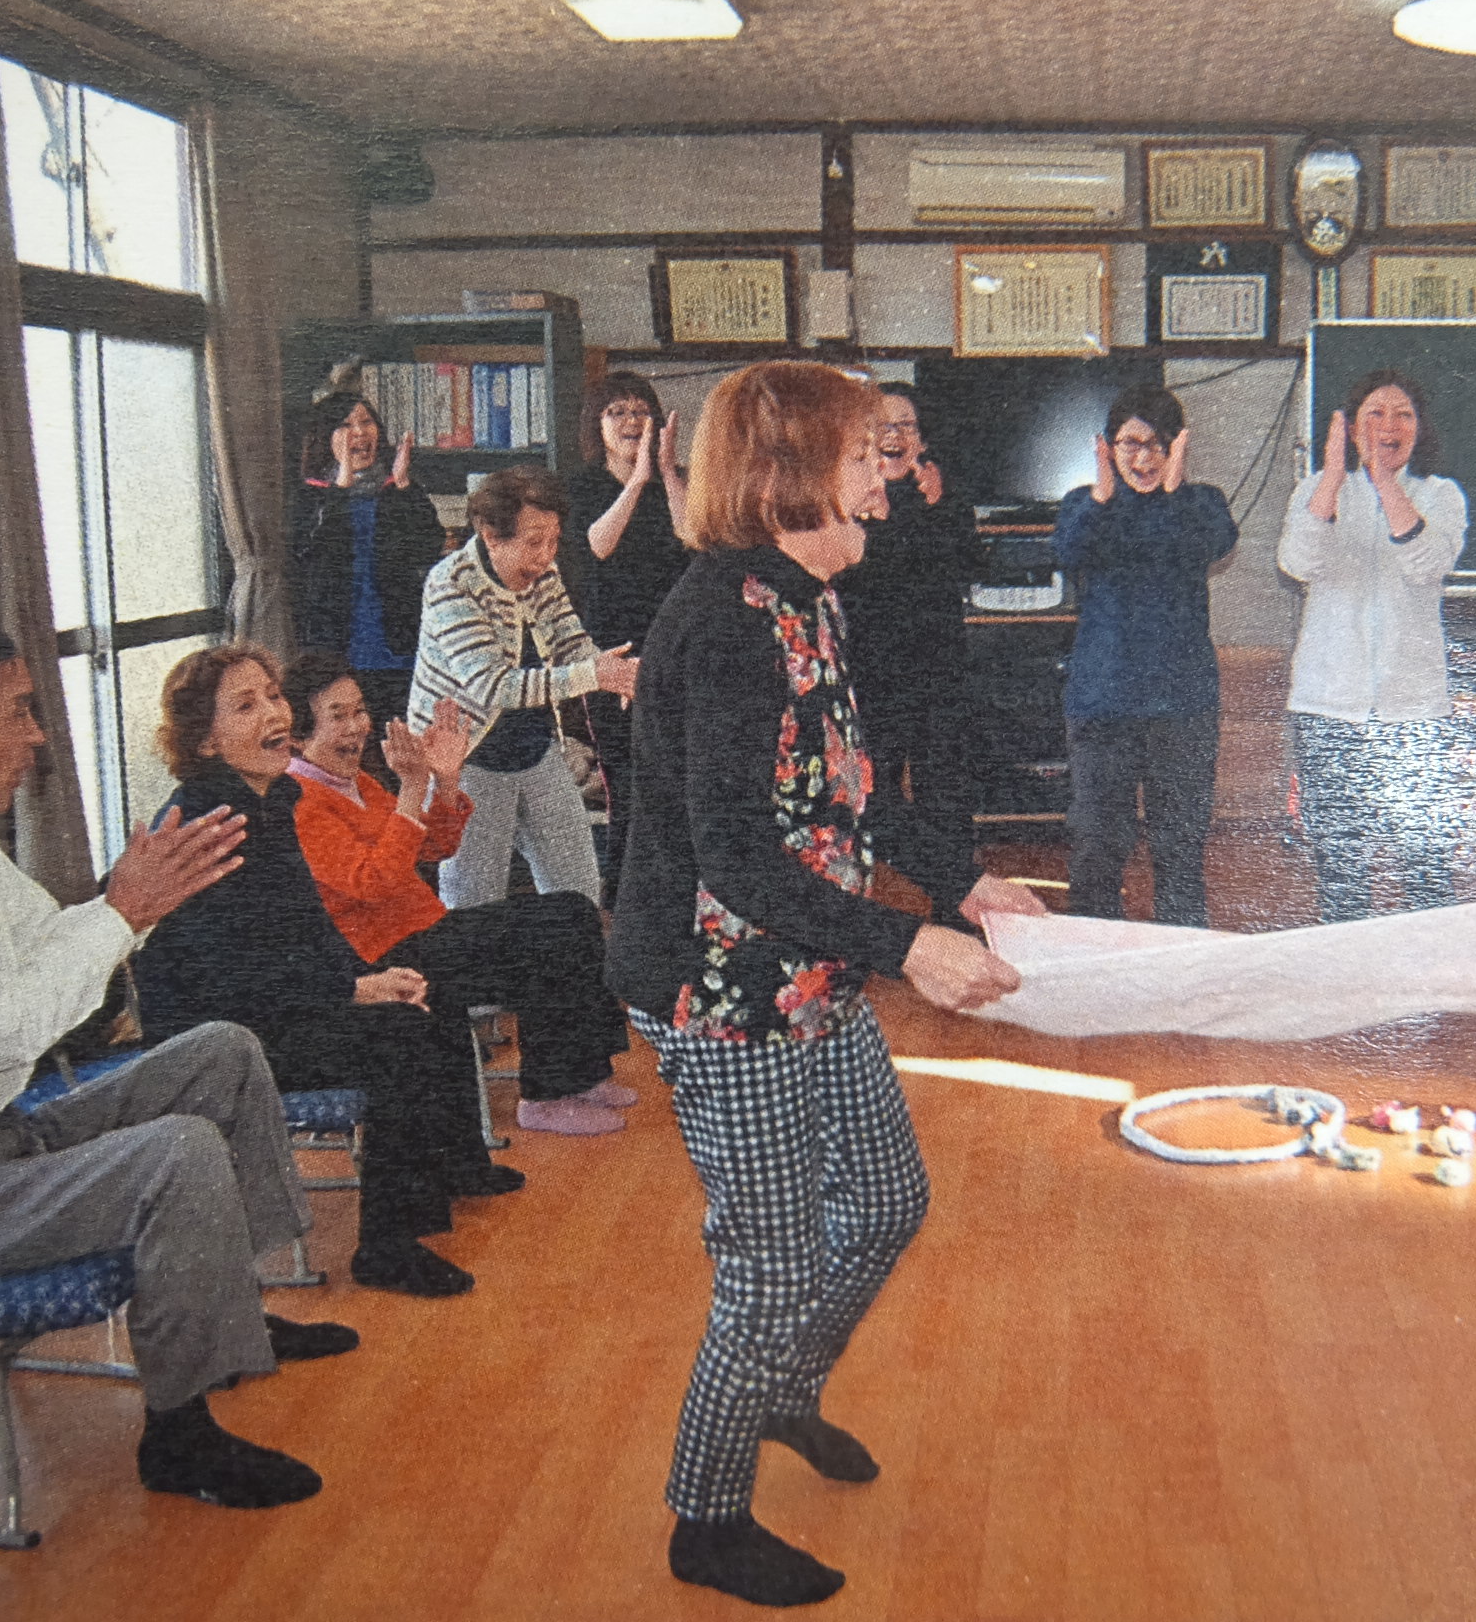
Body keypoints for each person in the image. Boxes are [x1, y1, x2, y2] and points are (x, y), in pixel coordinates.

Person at [605, 359, 1042, 1608]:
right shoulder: (725, 623)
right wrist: (909, 945)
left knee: (890, 1201)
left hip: (807, 961)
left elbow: (845, 794)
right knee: (772, 1264)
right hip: (721, 990)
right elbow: (736, 857)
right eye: (864, 457)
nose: (886, 479)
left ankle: (777, 1390)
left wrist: (961, 882)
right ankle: (706, 1519)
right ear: (788, 475)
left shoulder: (807, 598)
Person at [0, 615, 355, 1511]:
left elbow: (50, 941)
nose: (38, 736)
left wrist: (135, 906)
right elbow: (5, 1027)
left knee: (221, 1053)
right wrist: (124, 913)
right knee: (176, 1151)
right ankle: (181, 1435)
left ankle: (231, 1307)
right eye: (19, 711)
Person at [135, 645, 522, 1299]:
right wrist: (351, 988)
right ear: (204, 741)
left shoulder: (270, 799)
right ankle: (387, 1248)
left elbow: (310, 930)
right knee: (398, 1034)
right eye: (245, 706)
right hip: (215, 1034)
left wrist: (367, 979)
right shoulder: (212, 821)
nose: (273, 713)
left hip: (268, 1005)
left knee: (414, 1003)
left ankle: (420, 1212)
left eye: (272, 696)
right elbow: (229, 970)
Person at [280, 650, 634, 1136]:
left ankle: (582, 1076)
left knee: (572, 910)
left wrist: (446, 779)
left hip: (426, 930)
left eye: (359, 710)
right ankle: (547, 1097)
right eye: (336, 716)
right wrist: (412, 786)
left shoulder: (355, 782)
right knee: (547, 938)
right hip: (384, 959)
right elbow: (374, 880)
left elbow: (434, 847)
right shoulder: (300, 801)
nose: (356, 726)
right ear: (298, 736)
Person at [1277, 368, 1469, 921]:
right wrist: (1334, 479)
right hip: (1328, 707)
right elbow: (1297, 563)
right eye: (1375, 414)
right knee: (1341, 870)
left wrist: (1385, 483)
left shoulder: (1441, 495)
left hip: (1416, 709)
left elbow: (1427, 563)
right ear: (1352, 426)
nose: (1390, 425)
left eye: (1403, 414)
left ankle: (1425, 969)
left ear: (1420, 428)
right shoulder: (1316, 491)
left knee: (1427, 869)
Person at [409, 462, 639, 909]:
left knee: (579, 892)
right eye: (534, 542)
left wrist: (616, 671)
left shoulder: (544, 575)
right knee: (474, 907)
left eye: (554, 541)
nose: (546, 557)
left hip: (535, 750)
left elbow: (570, 642)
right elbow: (493, 686)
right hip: (466, 760)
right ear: (491, 536)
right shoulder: (450, 583)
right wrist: (595, 675)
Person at [1052, 383, 1238, 926]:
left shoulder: (1202, 503)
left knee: (1179, 847)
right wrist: (1101, 496)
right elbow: (1068, 551)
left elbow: (1213, 544)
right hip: (1102, 704)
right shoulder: (1085, 504)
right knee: (1096, 847)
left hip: (1182, 708)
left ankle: (1180, 961)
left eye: (1157, 444)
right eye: (1130, 443)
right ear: (1108, 446)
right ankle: (1095, 960)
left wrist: (1174, 492)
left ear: (1178, 446)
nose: (1143, 457)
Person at [835, 380, 980, 903]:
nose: (894, 436)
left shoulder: (944, 495)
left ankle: (956, 911)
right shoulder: (848, 497)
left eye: (906, 426)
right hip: (868, 677)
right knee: (869, 798)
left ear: (922, 439)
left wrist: (936, 507)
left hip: (937, 675)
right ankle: (856, 912)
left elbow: (970, 565)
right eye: (882, 426)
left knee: (946, 797)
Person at [567, 372, 690, 908]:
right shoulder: (584, 487)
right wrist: (636, 481)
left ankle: (673, 892)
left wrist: (664, 472)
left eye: (641, 410)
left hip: (671, 649)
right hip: (612, 656)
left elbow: (691, 536)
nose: (631, 421)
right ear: (597, 425)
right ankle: (622, 896)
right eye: (616, 411)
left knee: (674, 774)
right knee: (626, 777)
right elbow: (597, 545)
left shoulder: (673, 482)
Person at [290, 390, 443, 731]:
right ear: (325, 436)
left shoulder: (397, 488)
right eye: (345, 425)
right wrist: (341, 486)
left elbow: (428, 546)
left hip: (396, 644)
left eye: (366, 422)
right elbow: (316, 557)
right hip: (338, 645)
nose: (359, 432)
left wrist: (403, 484)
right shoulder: (310, 494)